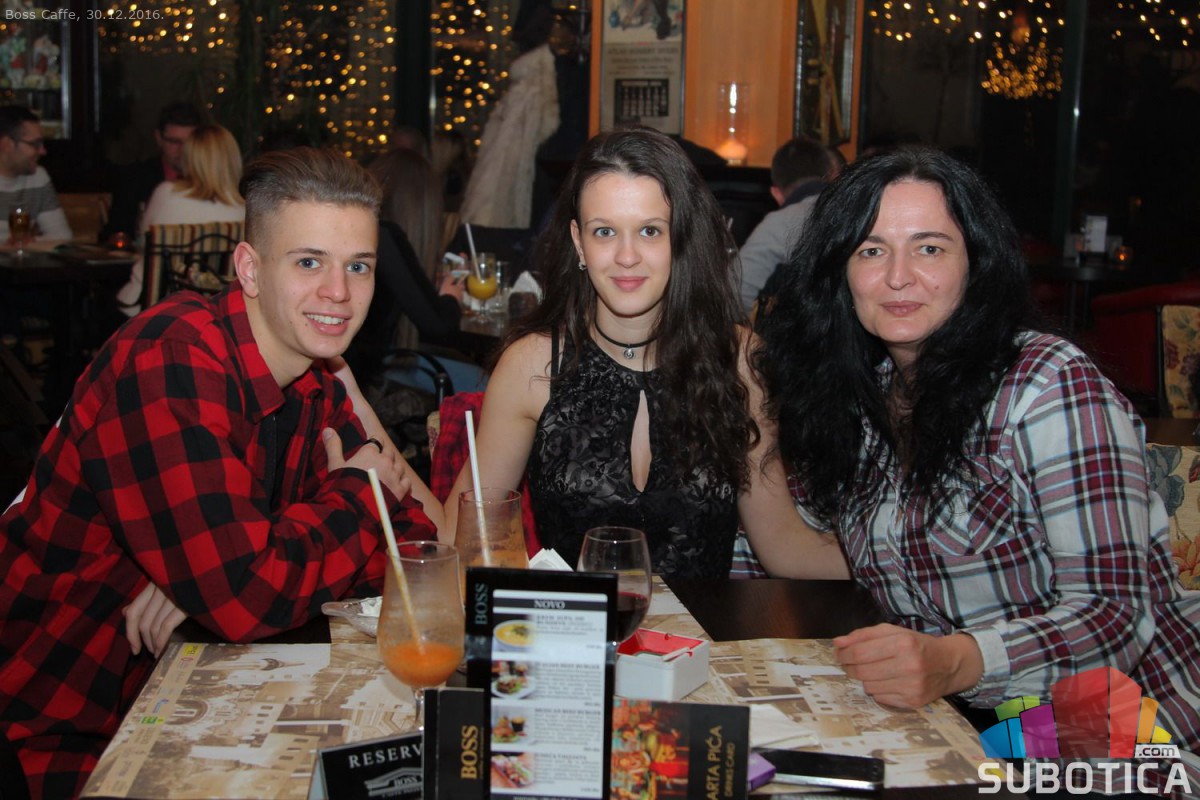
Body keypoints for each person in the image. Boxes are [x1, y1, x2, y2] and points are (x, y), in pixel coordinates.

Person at [0, 147, 438, 799]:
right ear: (249, 269)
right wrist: (352, 493)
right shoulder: (173, 360)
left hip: (171, 701)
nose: (338, 293)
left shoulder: (313, 381)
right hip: (50, 727)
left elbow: (414, 554)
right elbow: (247, 596)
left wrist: (227, 566)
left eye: (358, 266)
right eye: (309, 262)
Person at [755, 146, 1200, 764]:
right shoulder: (863, 400)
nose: (898, 276)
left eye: (930, 248)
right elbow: (799, 533)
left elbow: (1113, 616)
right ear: (840, 272)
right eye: (871, 250)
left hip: (1129, 728)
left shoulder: (1048, 384)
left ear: (976, 263)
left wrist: (958, 661)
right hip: (978, 724)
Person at [441, 127, 846, 579]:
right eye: (605, 232)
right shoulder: (531, 366)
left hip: (705, 627)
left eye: (650, 231)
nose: (627, 256)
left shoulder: (740, 361)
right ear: (578, 242)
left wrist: (894, 561)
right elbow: (460, 538)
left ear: (680, 238)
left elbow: (784, 547)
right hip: (577, 625)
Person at [113, 123, 246, 316]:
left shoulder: (166, 194)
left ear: (191, 158)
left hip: (151, 312)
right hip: (216, 315)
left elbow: (143, 243)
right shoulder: (245, 210)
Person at [737, 135, 838, 313]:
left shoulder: (780, 223)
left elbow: (736, 296)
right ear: (832, 176)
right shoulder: (857, 210)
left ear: (776, 193)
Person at [100, 102, 203, 243]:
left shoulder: (209, 179)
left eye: (189, 142)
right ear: (159, 138)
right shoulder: (134, 179)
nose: (182, 150)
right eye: (174, 142)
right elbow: (117, 232)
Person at [0, 105, 72, 244]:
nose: (43, 151)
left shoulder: (38, 177)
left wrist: (26, 243)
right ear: (6, 144)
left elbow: (63, 237)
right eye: (35, 144)